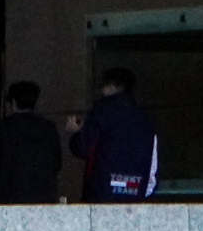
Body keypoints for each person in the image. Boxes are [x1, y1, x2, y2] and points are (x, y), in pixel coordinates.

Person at [69, 67, 161, 201]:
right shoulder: (144, 117)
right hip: (135, 186)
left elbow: (84, 148)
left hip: (103, 188)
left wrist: (78, 133)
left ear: (111, 86)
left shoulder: (102, 110)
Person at [0, 81, 62, 203]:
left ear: (14, 102)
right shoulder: (48, 128)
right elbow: (56, 161)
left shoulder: (4, 128)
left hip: (11, 196)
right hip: (44, 194)